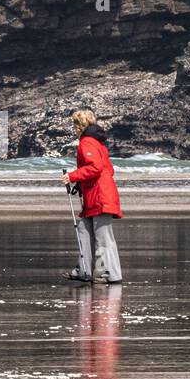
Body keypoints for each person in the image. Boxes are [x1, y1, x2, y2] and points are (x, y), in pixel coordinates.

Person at [61, 109, 123, 284]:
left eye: (74, 124)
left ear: (79, 125)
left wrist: (72, 176)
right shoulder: (98, 143)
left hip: (100, 196)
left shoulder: (87, 142)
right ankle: (84, 270)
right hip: (96, 194)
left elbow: (95, 167)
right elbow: (109, 169)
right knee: (84, 229)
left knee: (103, 236)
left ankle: (111, 274)